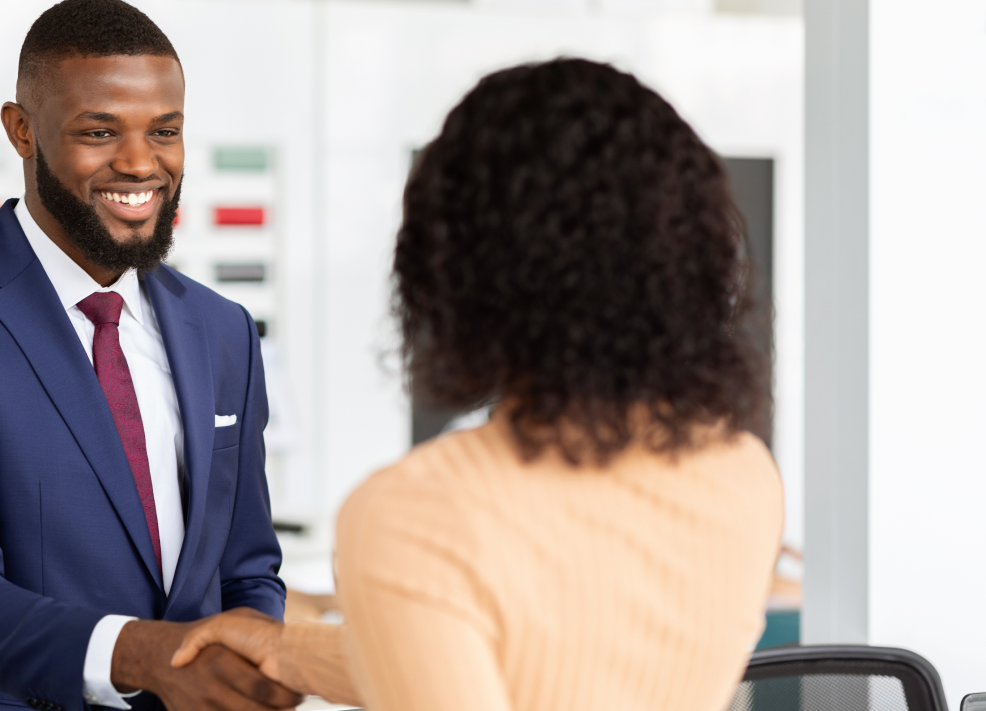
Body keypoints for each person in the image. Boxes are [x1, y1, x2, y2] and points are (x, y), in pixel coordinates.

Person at [170, 58, 785, 711]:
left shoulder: (417, 513)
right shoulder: (742, 472)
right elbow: (537, 658)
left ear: (453, 260)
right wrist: (289, 650)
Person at [0, 2, 303, 711]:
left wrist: (251, 657)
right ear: (21, 130)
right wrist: (147, 657)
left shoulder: (224, 329)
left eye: (165, 131)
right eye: (99, 131)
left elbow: (246, 567)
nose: (140, 164)